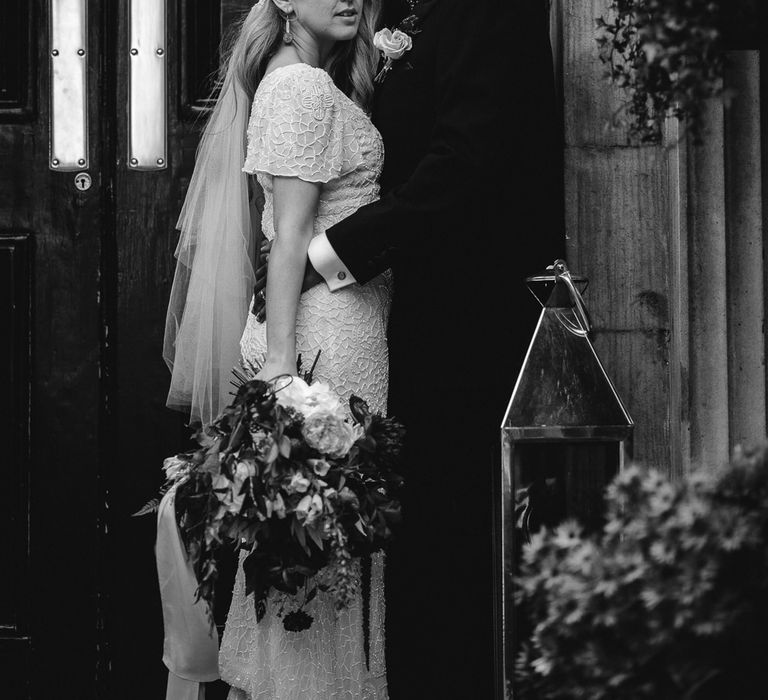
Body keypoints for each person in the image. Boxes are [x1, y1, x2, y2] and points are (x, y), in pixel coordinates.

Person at [252, 0, 563, 698]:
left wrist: (325, 254)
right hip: (383, 321)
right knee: (386, 551)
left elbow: (463, 165)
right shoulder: (368, 18)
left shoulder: (491, 12)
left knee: (446, 548)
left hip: (463, 323)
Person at [164, 0, 391, 698]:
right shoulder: (299, 85)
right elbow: (288, 237)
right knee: (315, 564)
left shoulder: (308, 77)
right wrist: (286, 371)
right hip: (322, 341)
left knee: (323, 556)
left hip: (336, 328)